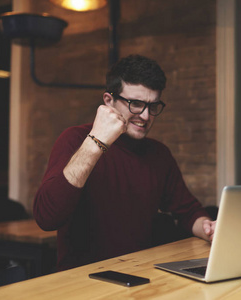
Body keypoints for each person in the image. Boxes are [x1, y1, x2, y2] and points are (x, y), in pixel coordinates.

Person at [33, 54, 216, 271]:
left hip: (139, 275)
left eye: (153, 106)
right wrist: (95, 142)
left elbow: (187, 211)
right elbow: (47, 219)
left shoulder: (159, 154)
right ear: (109, 101)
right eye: (136, 104)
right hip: (82, 280)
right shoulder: (75, 139)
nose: (146, 116)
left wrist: (208, 228)